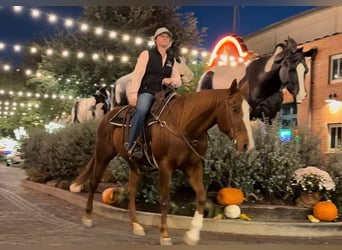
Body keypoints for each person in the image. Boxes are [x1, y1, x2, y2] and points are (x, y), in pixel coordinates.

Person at [126, 27, 182, 159]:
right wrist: (133, 94)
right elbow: (138, 75)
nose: (165, 38)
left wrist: (171, 80)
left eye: (167, 37)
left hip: (165, 93)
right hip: (148, 91)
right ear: (156, 39)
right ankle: (133, 144)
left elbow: (178, 80)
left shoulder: (171, 59)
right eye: (162, 36)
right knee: (142, 110)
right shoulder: (147, 54)